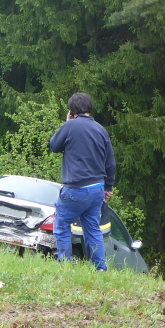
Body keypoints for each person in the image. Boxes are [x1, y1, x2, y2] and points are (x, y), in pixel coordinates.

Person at [48, 92, 116, 271]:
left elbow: (54, 146)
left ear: (72, 110)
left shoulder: (70, 126)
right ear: (89, 109)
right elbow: (110, 162)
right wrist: (108, 186)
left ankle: (65, 265)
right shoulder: (101, 130)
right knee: (93, 229)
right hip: (97, 188)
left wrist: (66, 123)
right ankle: (100, 268)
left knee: (62, 224)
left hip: (76, 188)